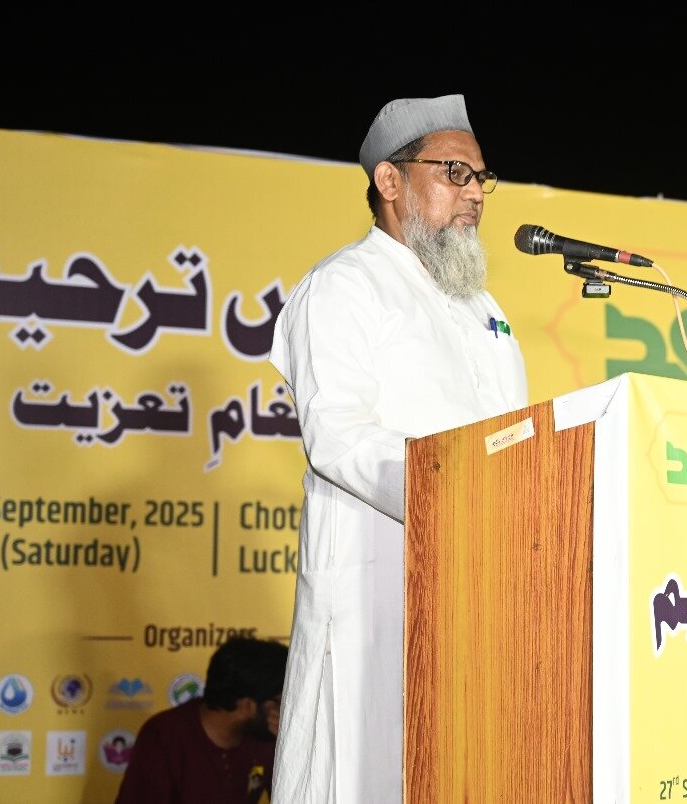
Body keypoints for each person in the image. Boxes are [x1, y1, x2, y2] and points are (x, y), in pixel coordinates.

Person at [268, 93, 529, 802]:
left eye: (481, 179)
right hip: (377, 590)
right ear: (390, 181)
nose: (475, 194)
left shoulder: (487, 312)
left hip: (480, 593)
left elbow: (514, 437)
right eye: (455, 173)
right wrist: (457, 489)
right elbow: (339, 435)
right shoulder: (341, 288)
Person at [114, 636, 288, 804]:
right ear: (246, 706)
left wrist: (291, 751)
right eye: (280, 701)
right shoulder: (164, 736)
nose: (286, 710)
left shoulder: (270, 737)